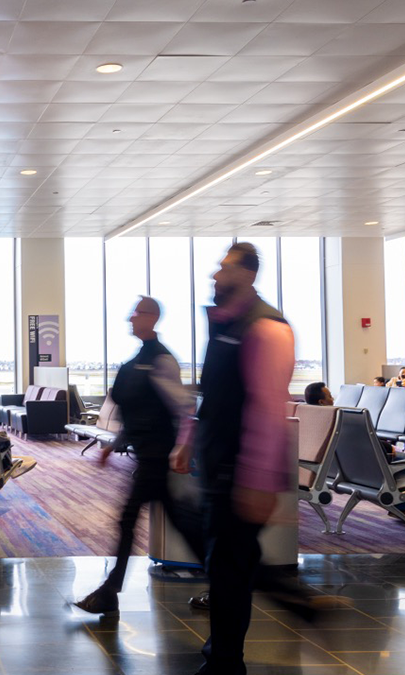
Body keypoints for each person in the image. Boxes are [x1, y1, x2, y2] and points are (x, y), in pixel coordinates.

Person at [173, 242, 327, 674]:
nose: (215, 276)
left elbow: (265, 406)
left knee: (228, 568)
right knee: (228, 559)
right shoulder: (227, 322)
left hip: (241, 469)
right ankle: (294, 600)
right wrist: (189, 439)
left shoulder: (266, 328)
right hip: (219, 461)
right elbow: (212, 392)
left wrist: (257, 479)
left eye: (223, 269)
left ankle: (224, 662)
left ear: (248, 274)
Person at [74, 296, 203, 615]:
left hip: (158, 457)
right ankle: (228, 579)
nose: (131, 318)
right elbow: (135, 409)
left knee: (131, 520)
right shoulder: (137, 360)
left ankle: (110, 591)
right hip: (147, 456)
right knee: (180, 523)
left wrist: (182, 446)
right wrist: (113, 443)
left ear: (153, 317)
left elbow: (184, 408)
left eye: (138, 313)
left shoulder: (161, 360)